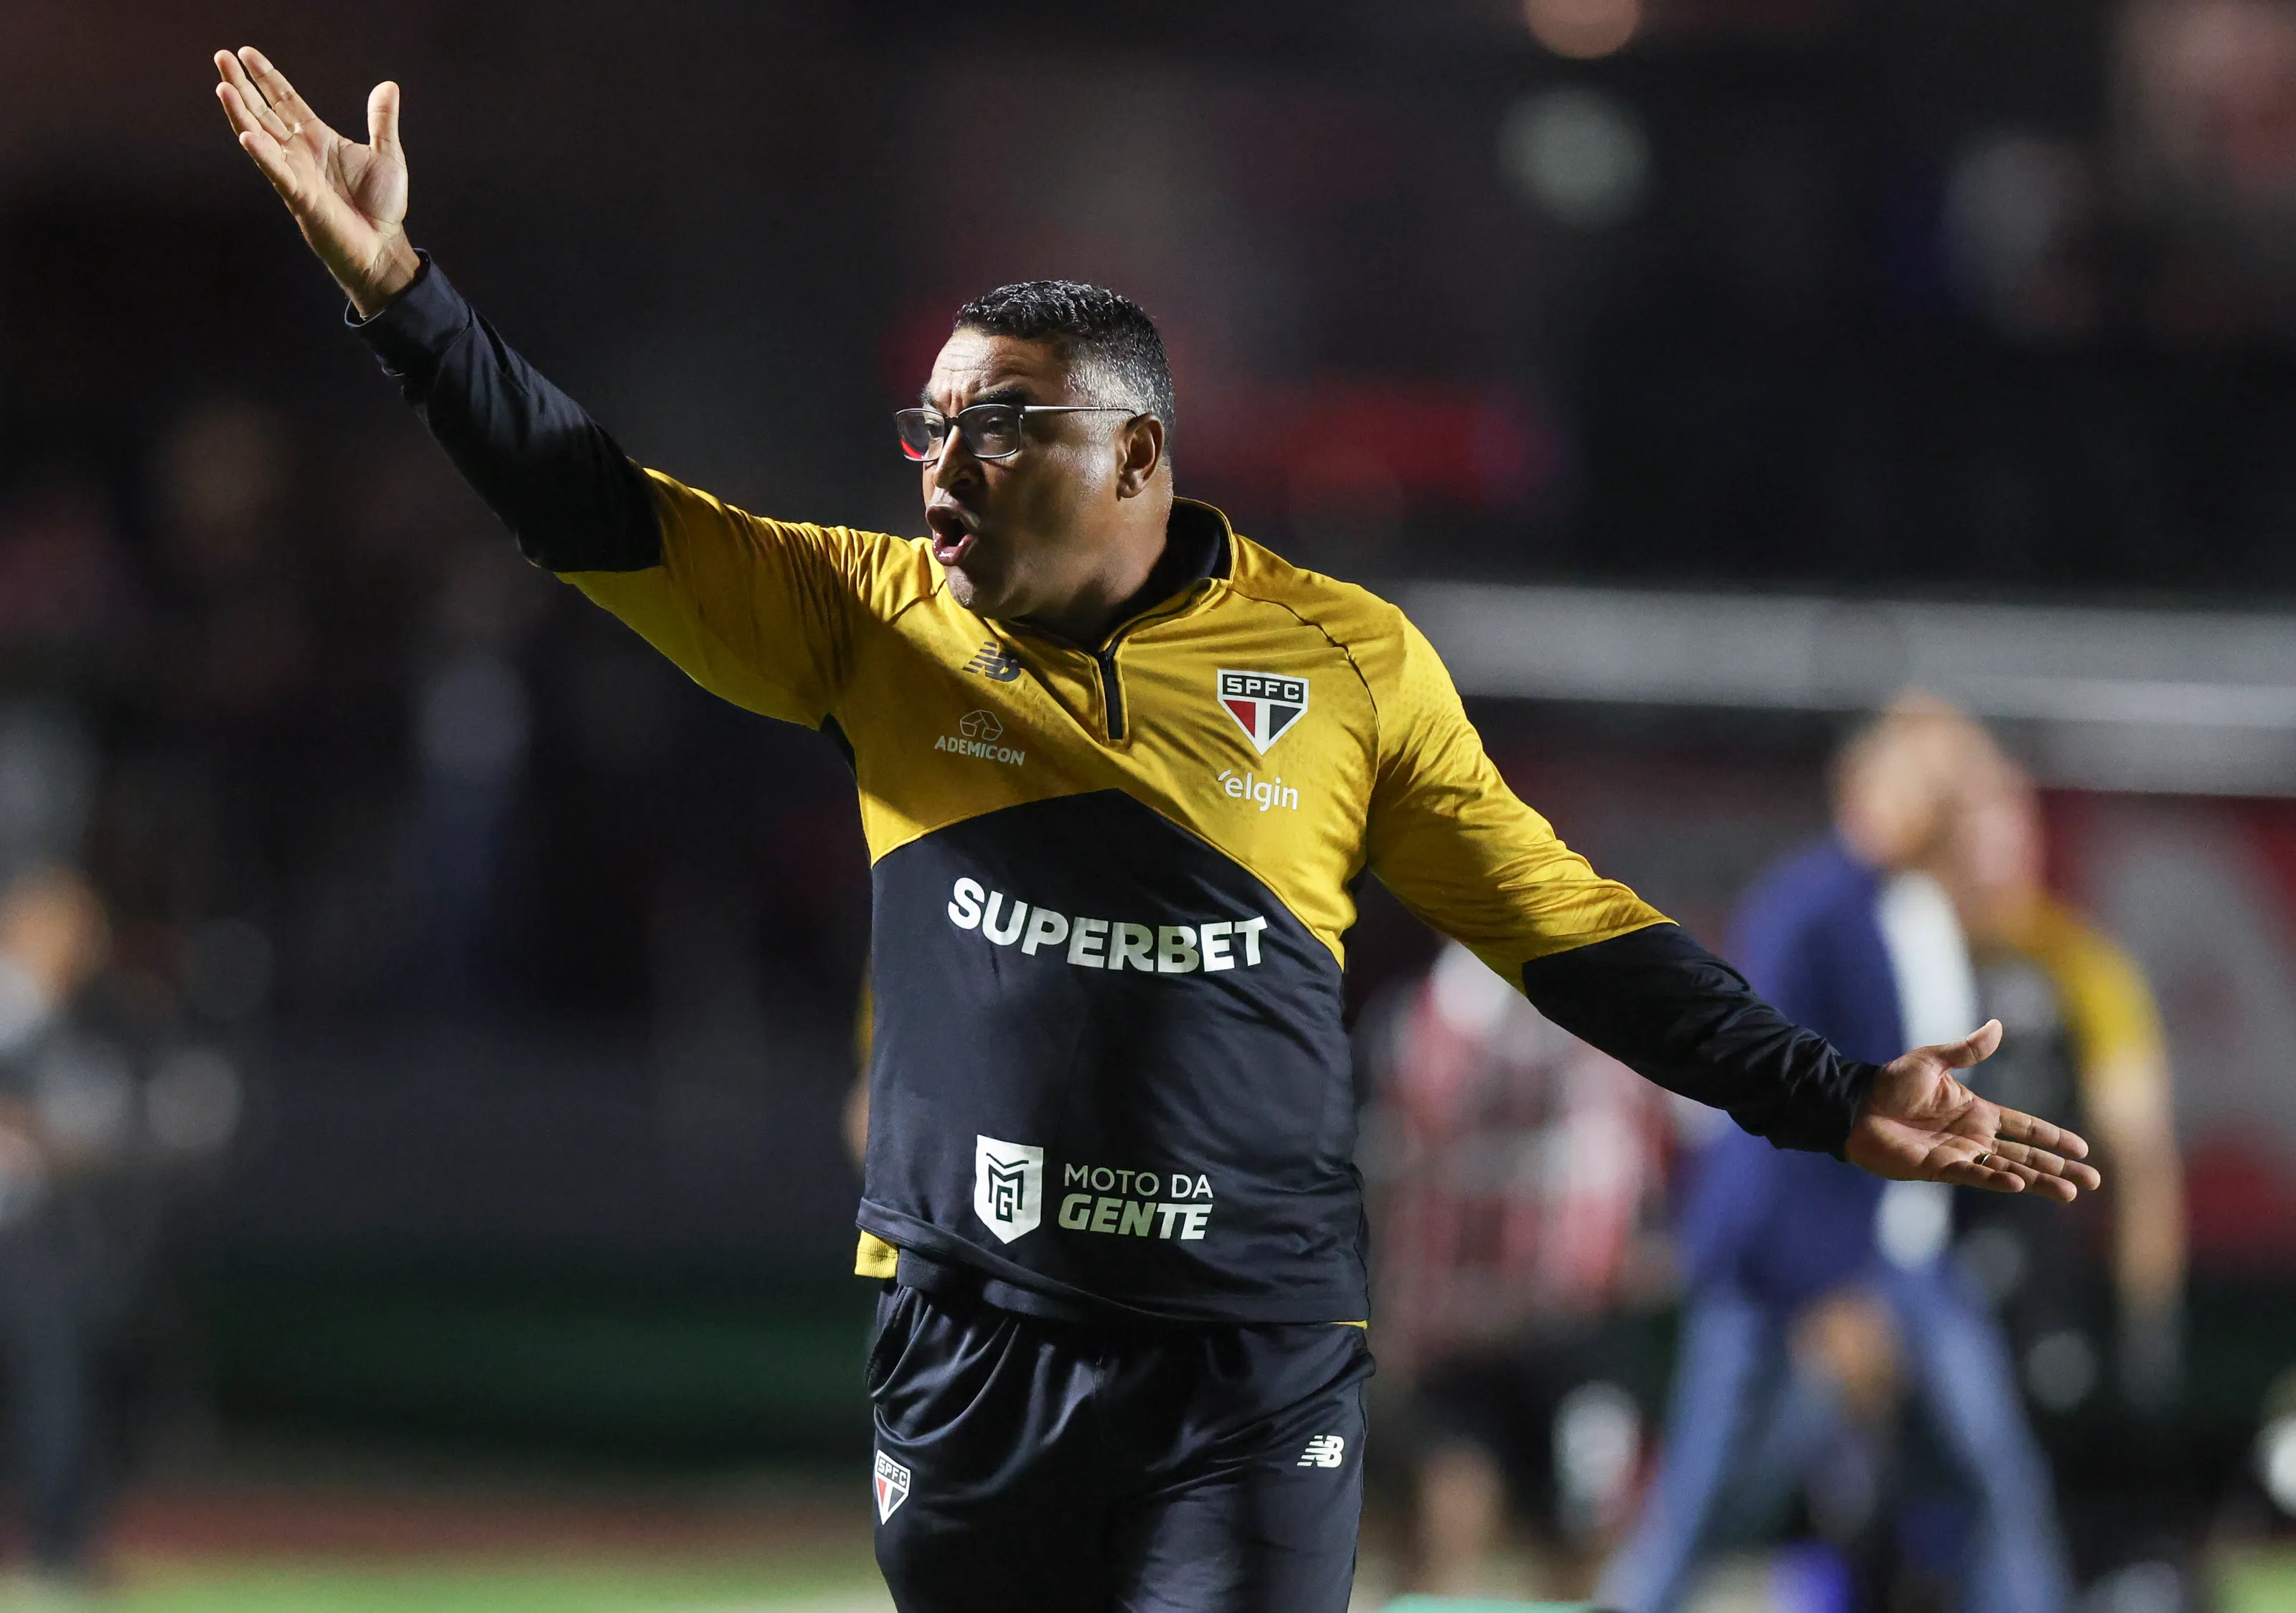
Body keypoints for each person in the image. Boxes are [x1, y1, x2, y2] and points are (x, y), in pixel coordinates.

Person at [211, 52, 2100, 1612]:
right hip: (969, 1334)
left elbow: (1565, 929)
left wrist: (1822, 1093)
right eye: (929, 428)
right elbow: (591, 506)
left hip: (1244, 1359)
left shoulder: (1344, 663)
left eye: (998, 429)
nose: (942, 469)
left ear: (1133, 456)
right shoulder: (872, 618)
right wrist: (403, 298)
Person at [1598, 699, 2076, 1613]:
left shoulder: (1918, 909)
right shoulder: (1807, 908)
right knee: (1712, 1501)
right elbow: (1771, 1100)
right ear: (1863, 788)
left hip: (1904, 1256)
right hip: (1788, 1264)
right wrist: (1828, 1289)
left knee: (1993, 1481)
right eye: (1924, 781)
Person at [1365, 941, 1672, 1600]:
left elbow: (1651, 1145)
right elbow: (1400, 1176)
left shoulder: (1608, 1007)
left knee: (1583, 1516)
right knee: (1459, 1500)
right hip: (1467, 1323)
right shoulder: (1434, 1014)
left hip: (1572, 1318)